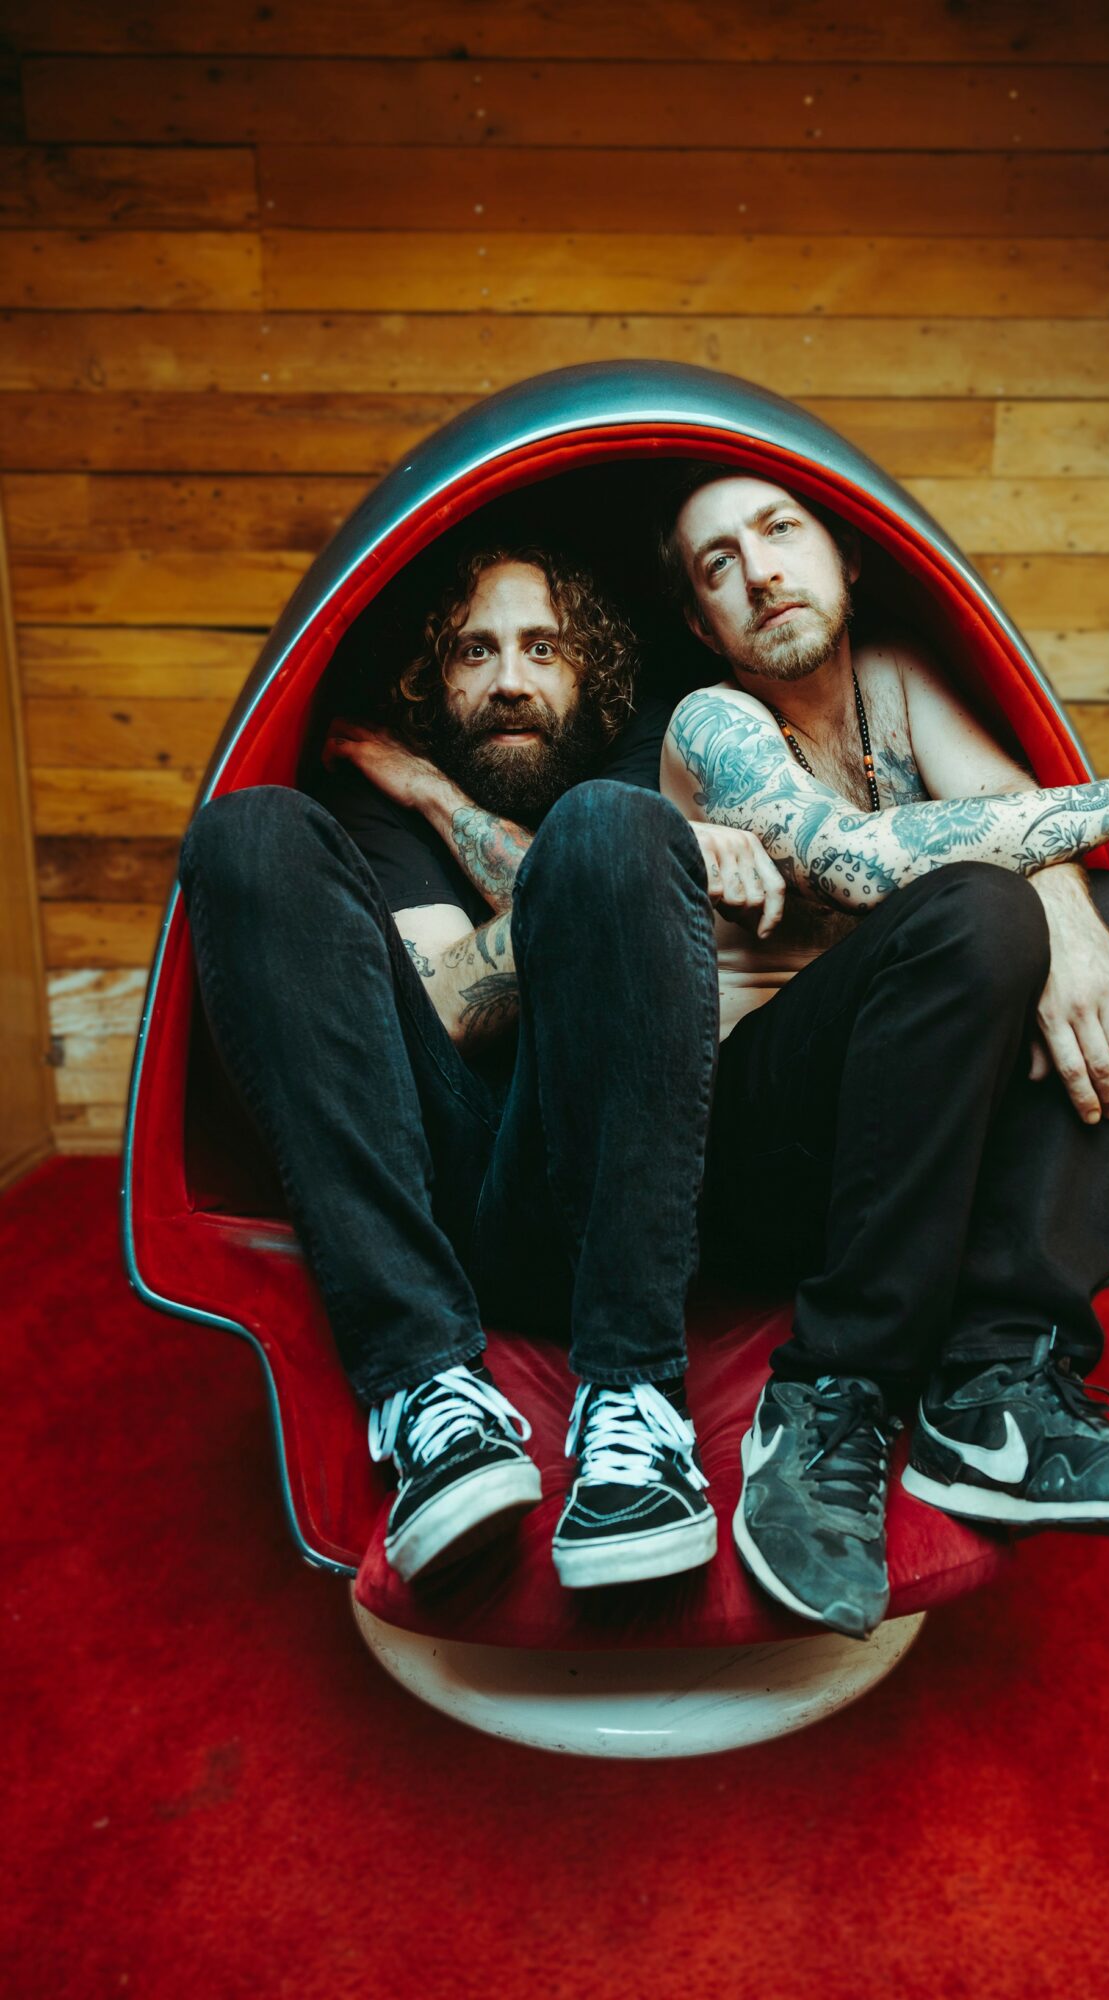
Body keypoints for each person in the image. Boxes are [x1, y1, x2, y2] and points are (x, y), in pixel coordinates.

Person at [657, 465, 1109, 1640]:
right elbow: (845, 858)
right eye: (720, 562)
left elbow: (1008, 803)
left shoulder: (893, 676)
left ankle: (995, 1391)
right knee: (979, 903)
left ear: (845, 556)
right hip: (751, 1164)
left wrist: (1070, 912)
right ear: (702, 622)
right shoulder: (710, 721)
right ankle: (831, 1392)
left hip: (908, 1150)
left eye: (779, 530)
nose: (760, 570)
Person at [177, 543, 774, 1594]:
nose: (508, 679)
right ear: (434, 676)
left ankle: (635, 1400)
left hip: (628, 1187)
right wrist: (431, 809)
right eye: (474, 650)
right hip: (439, 1190)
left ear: (589, 668)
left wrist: (434, 796)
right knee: (248, 833)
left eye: (542, 647)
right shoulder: (374, 792)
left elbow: (601, 890)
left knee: (608, 831)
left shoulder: (644, 744)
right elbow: (447, 1008)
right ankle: (428, 1395)